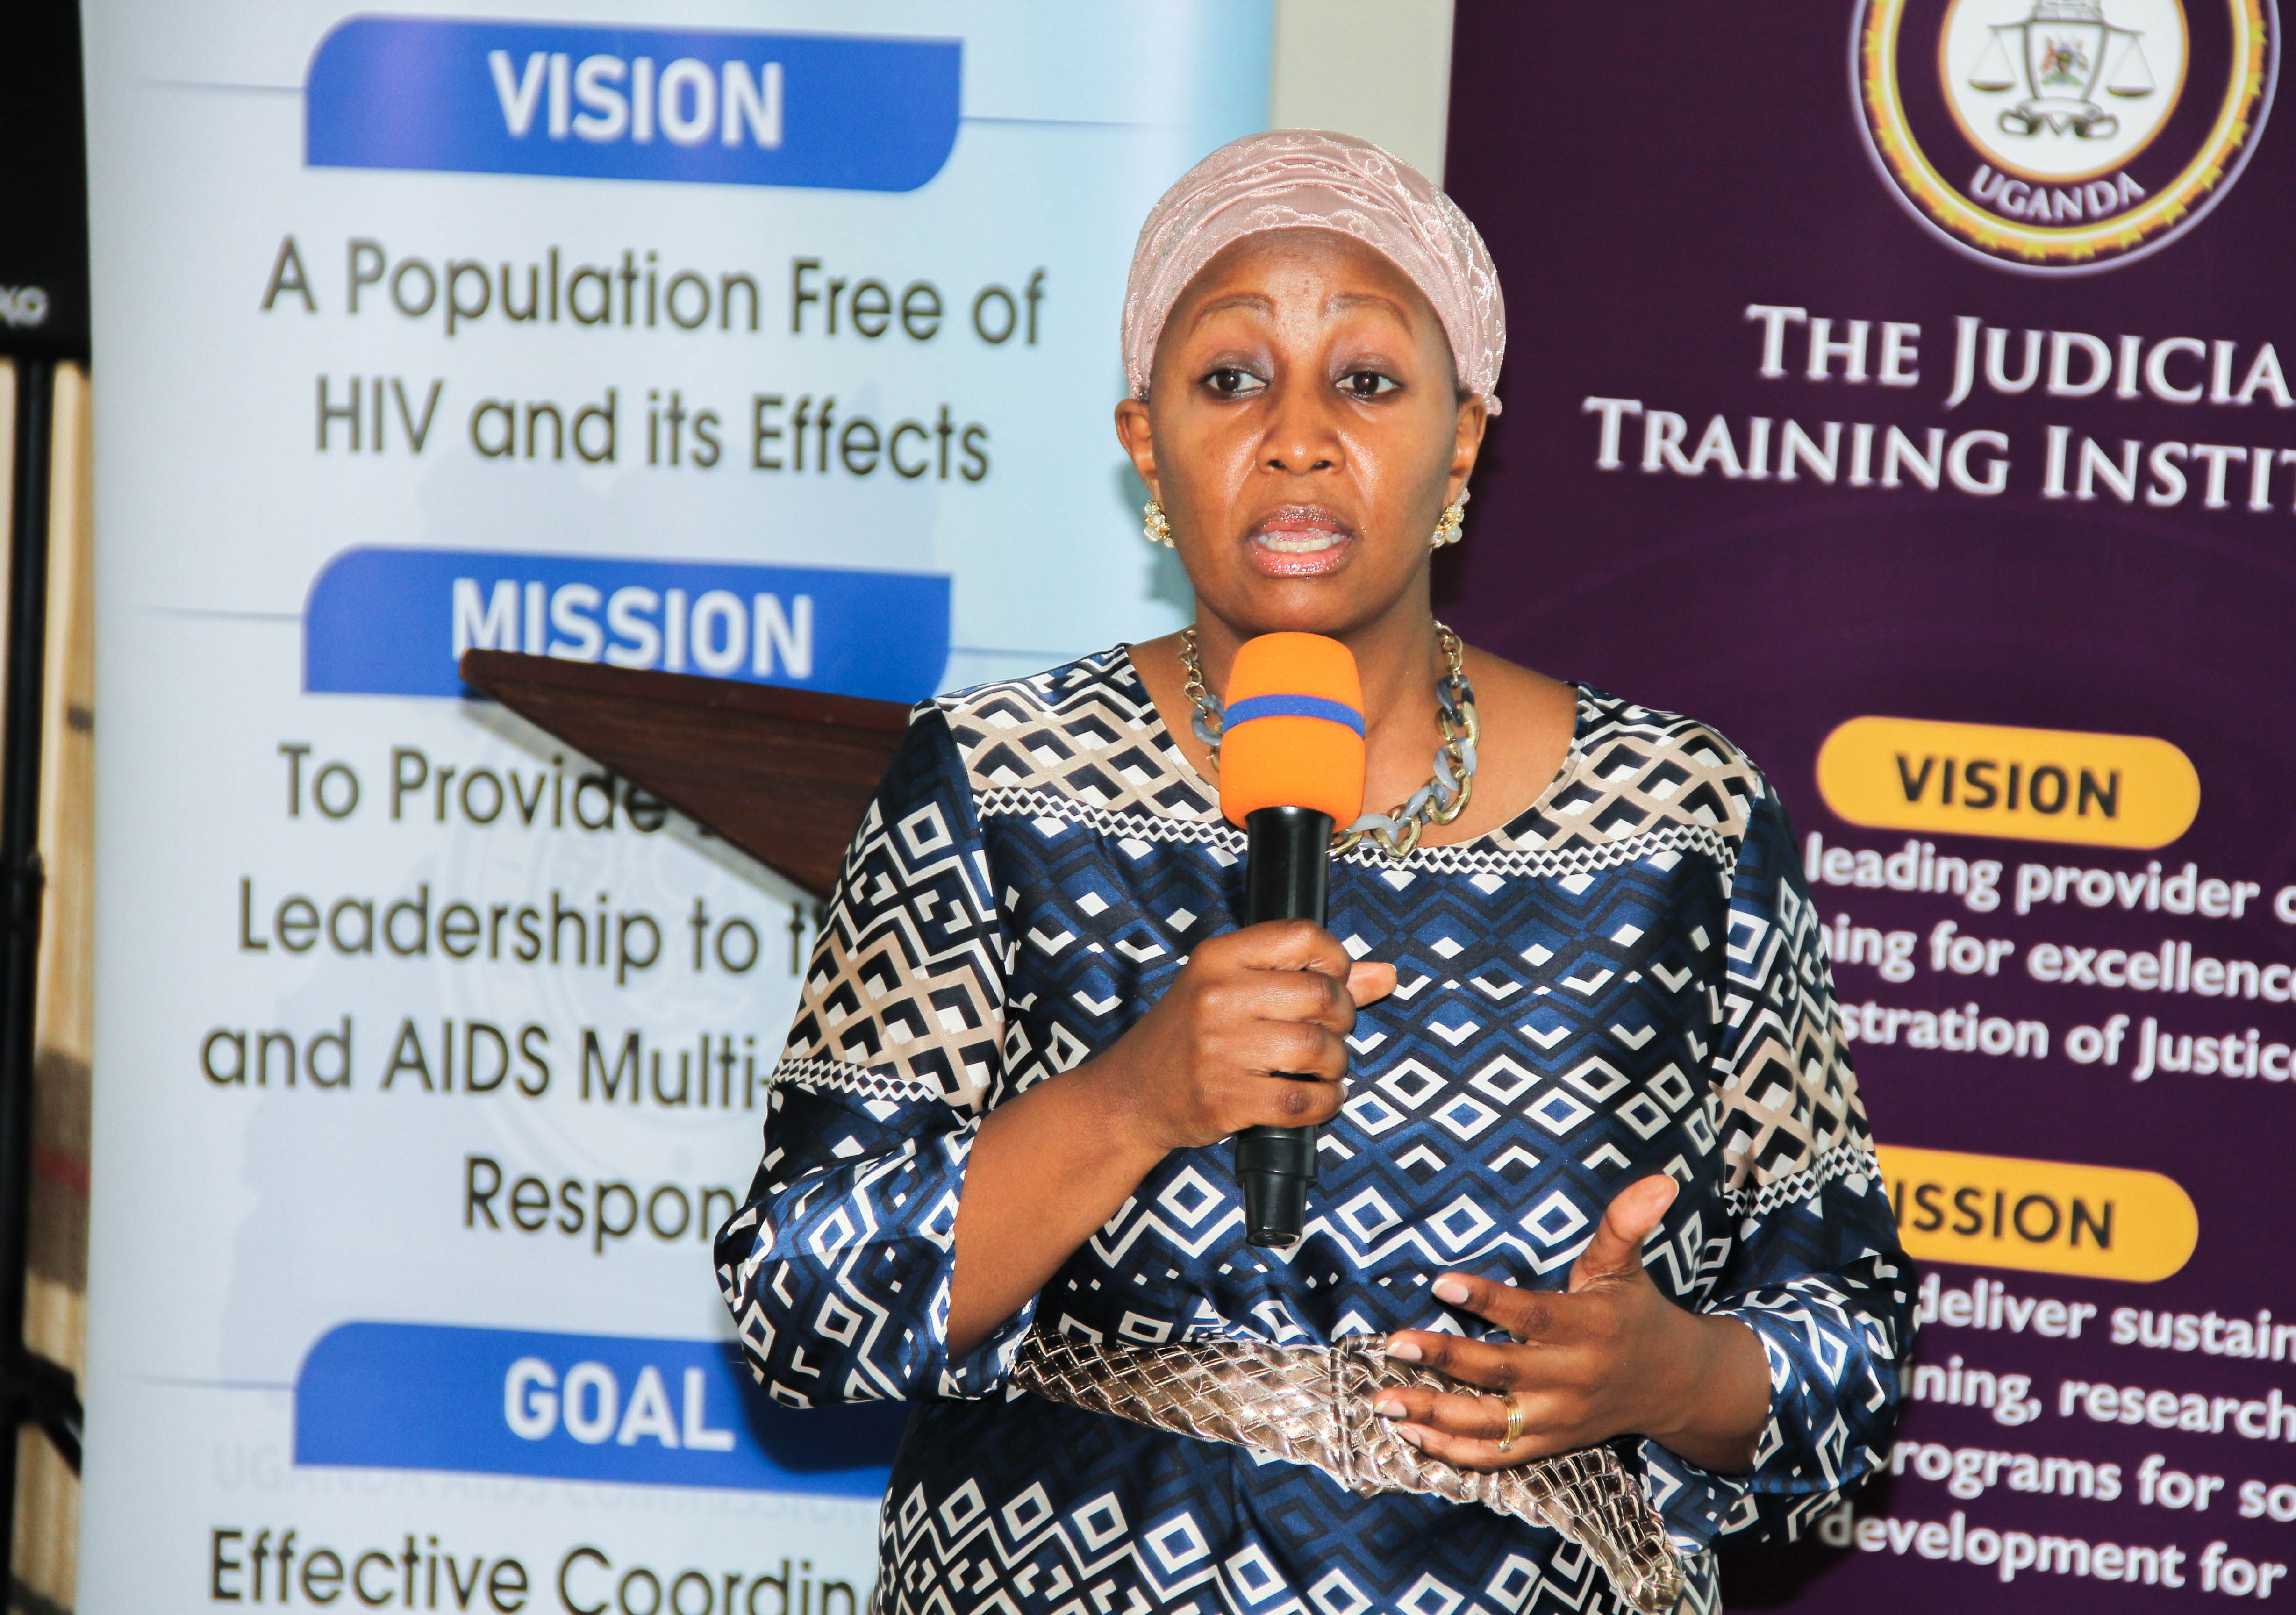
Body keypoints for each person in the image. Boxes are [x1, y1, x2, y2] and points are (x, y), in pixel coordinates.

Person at [715, 130, 1911, 1615]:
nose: (1296, 435)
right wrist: (1133, 1098)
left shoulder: (1683, 816)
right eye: (1228, 379)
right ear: (1145, 443)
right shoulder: (994, 779)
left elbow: (1847, 1360)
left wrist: (1674, 1372)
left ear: (1462, 440)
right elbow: (798, 1310)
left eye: (1366, 379)